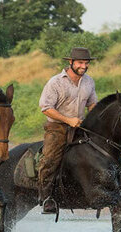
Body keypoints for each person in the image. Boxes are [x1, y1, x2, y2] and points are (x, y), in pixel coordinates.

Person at [37, 47, 98, 214]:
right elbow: (46, 108)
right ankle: (46, 198)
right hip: (57, 128)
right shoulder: (55, 82)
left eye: (86, 63)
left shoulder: (89, 81)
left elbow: (92, 104)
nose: (83, 66)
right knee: (49, 160)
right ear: (70, 62)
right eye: (80, 63)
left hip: (80, 126)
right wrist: (68, 120)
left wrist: (96, 117)